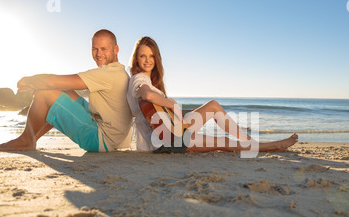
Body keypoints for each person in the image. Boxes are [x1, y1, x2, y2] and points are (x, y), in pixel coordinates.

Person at [127, 36, 298, 155]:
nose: (147, 60)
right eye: (142, 56)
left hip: (171, 131)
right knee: (222, 142)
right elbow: (147, 95)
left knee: (213, 106)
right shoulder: (139, 78)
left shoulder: (151, 81)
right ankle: (272, 146)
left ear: (157, 59)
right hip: (161, 142)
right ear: (136, 59)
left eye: (151, 56)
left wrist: (177, 111)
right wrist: (170, 103)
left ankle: (251, 141)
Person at [0, 29, 132, 152]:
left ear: (116, 49)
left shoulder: (107, 74)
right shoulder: (119, 72)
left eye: (103, 49)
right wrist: (44, 86)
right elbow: (61, 85)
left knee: (45, 94)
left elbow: (53, 80)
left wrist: (29, 80)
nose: (98, 54)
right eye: (94, 49)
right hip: (115, 139)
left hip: (102, 141)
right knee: (66, 92)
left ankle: (26, 140)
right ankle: (33, 138)